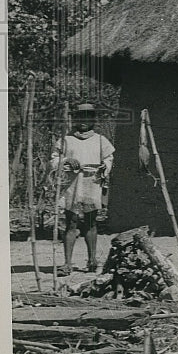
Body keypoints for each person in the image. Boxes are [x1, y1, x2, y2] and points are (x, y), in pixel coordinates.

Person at [50, 103, 114, 274]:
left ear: (93, 120)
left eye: (87, 117)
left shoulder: (100, 140)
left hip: (91, 183)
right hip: (72, 185)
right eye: (79, 117)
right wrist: (66, 161)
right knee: (71, 223)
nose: (83, 121)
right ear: (74, 119)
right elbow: (55, 159)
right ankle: (67, 264)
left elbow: (109, 159)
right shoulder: (66, 140)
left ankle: (92, 260)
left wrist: (103, 167)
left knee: (91, 223)